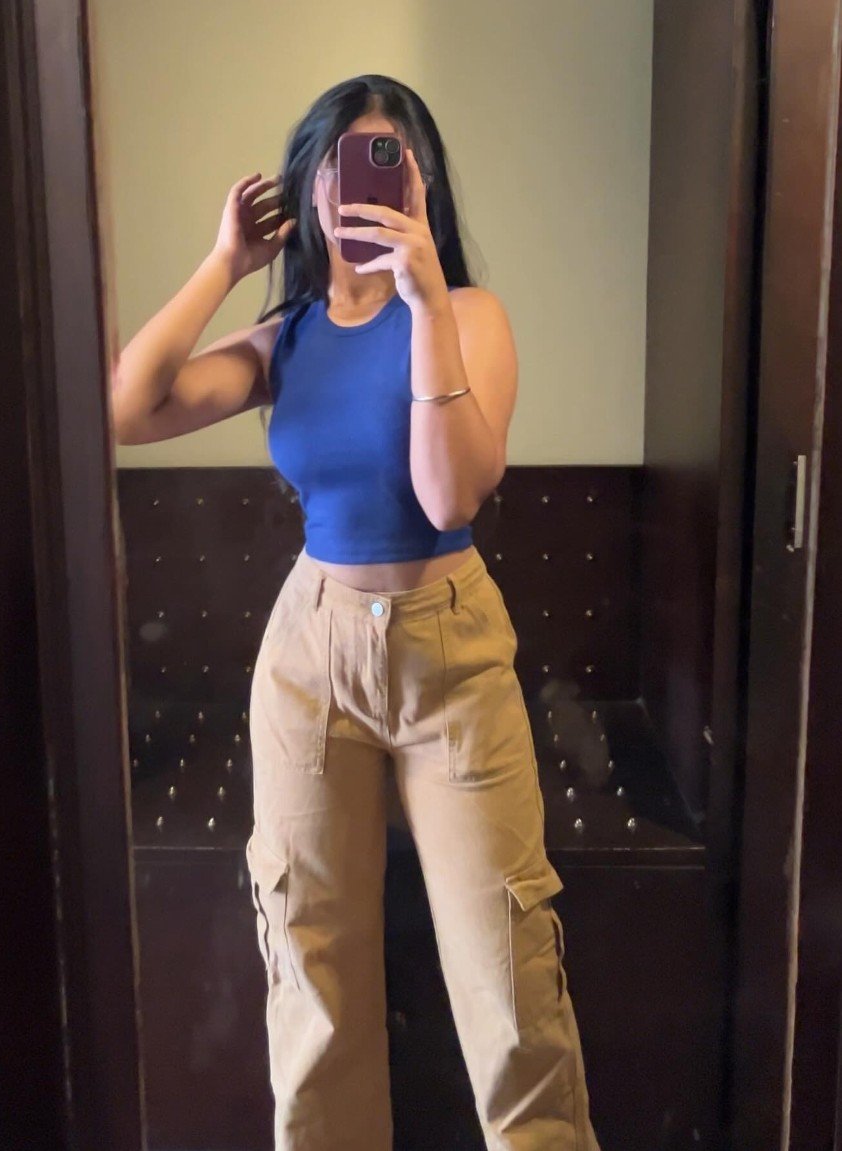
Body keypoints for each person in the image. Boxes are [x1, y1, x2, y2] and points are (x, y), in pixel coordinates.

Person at [112, 73, 601, 1151]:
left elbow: (448, 495)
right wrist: (224, 263)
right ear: (307, 186)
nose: (354, 189)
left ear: (421, 186)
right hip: (311, 650)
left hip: (451, 652)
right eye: (334, 165)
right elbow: (126, 406)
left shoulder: (469, 316)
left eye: (384, 163)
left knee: (510, 983)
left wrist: (422, 300)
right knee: (312, 975)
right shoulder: (285, 334)